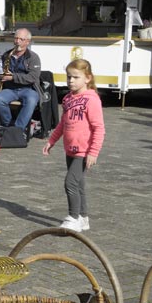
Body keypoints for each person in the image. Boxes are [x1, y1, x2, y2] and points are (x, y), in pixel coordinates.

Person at [42, 59, 105, 233]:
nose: (71, 81)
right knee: (79, 184)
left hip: (84, 151)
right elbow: (63, 123)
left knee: (70, 183)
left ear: (87, 78)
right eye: (69, 77)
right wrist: (51, 141)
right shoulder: (68, 99)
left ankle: (73, 217)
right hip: (70, 149)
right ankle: (83, 218)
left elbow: (99, 128)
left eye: (76, 77)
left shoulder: (91, 99)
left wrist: (93, 152)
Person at [0, 28, 42, 131]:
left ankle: (18, 129)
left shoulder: (33, 57)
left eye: (21, 39)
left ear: (27, 42)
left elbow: (33, 77)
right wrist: (0, 76)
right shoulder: (7, 55)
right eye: (16, 38)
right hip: (10, 89)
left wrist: (13, 77)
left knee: (32, 100)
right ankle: (8, 125)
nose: (17, 41)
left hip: (28, 89)